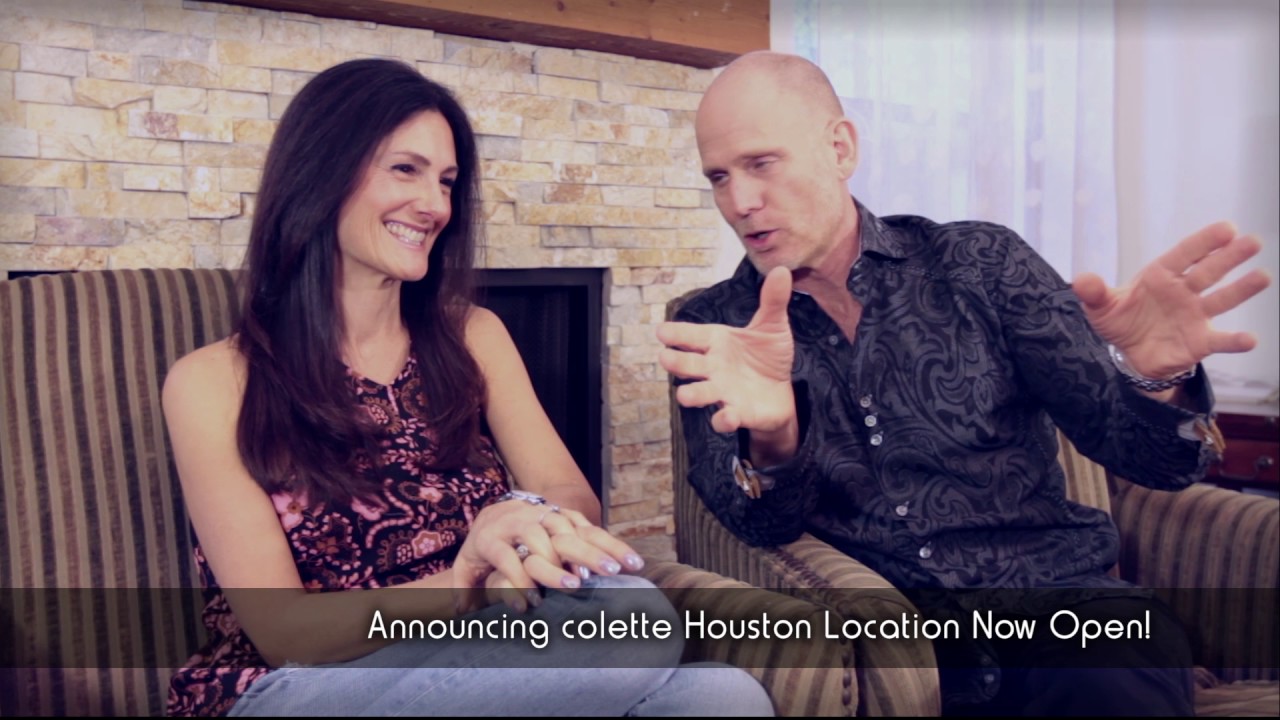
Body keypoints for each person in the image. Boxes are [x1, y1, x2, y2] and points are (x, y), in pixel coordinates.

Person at [657, 51, 1272, 716]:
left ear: (840, 148)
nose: (739, 202)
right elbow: (755, 527)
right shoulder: (713, 327)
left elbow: (1158, 461)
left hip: (1065, 612)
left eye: (761, 164)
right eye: (719, 176)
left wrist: (1157, 379)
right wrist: (777, 437)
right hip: (904, 652)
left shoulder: (982, 264)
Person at [161, 58, 773, 718]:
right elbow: (287, 635)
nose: (435, 205)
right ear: (320, 173)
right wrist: (465, 580)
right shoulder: (213, 383)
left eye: (446, 181)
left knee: (722, 697)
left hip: (479, 657)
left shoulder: (473, 335)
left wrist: (526, 524)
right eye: (406, 169)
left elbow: (571, 495)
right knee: (630, 621)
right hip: (304, 685)